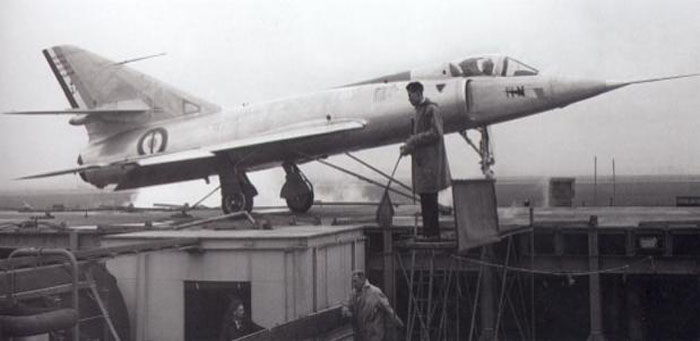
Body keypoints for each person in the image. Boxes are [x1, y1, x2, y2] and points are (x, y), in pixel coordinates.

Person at [400, 81, 451, 240]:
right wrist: (408, 147)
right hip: (422, 163)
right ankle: (428, 233)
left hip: (431, 163)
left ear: (418, 93)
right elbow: (420, 137)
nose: (409, 99)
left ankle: (432, 234)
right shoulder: (418, 111)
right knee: (425, 199)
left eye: (410, 95)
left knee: (430, 199)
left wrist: (414, 141)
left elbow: (436, 133)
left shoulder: (431, 109)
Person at [342, 270, 404, 341]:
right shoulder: (353, 293)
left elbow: (388, 309)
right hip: (360, 333)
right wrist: (346, 311)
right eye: (353, 281)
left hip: (374, 334)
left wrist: (398, 323)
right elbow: (346, 304)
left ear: (362, 280)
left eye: (355, 281)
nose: (354, 284)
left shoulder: (375, 292)